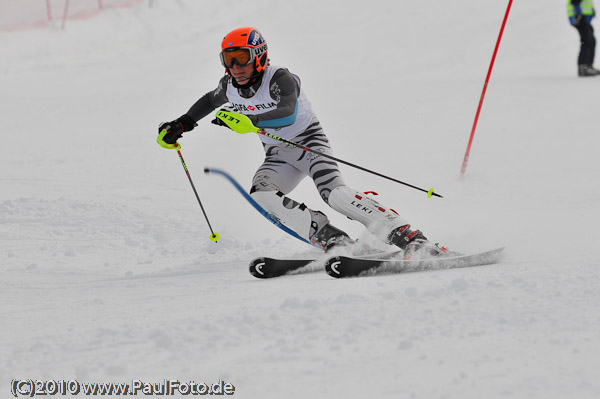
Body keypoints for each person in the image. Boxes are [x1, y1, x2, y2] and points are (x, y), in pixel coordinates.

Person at [158, 27, 448, 258]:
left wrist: (252, 122)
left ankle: (410, 238)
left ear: (258, 56)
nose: (235, 67)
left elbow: (288, 111)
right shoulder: (229, 87)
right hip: (278, 154)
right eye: (228, 59)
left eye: (242, 58)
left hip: (309, 145)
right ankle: (331, 238)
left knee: (335, 195)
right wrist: (181, 124)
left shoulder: (280, 77)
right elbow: (210, 100)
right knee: (262, 195)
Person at [568, 0, 600, 76]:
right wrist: (578, 14)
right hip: (580, 17)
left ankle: (588, 66)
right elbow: (574, 1)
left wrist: (591, 10)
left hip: (584, 17)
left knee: (591, 41)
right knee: (587, 41)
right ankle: (583, 67)